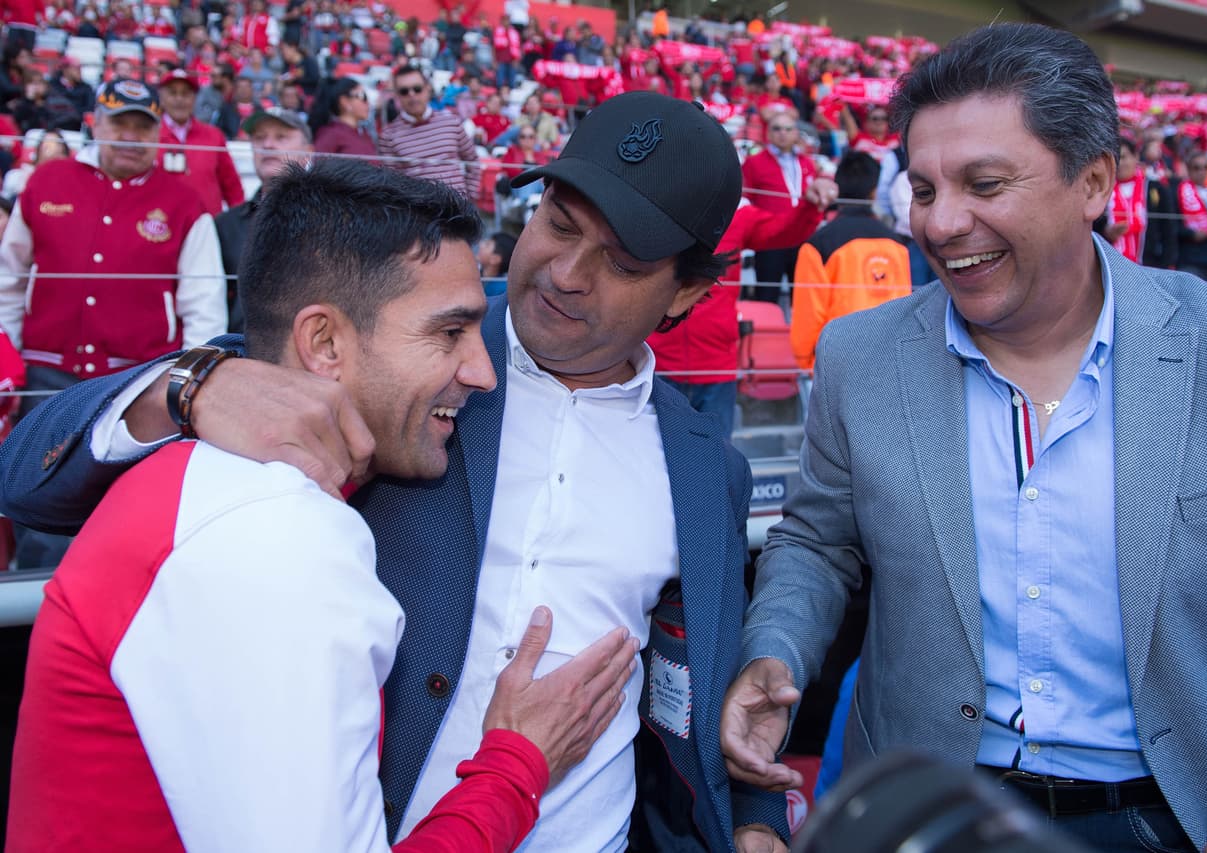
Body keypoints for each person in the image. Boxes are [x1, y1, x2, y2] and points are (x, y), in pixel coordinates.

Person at [0, 91, 788, 853]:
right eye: (557, 222)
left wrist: (754, 811)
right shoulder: (408, 338)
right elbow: (29, 477)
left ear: (688, 289)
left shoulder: (705, 466)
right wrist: (188, 386)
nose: (566, 272)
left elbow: (694, 680)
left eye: (621, 261)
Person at [721, 23, 1207, 853]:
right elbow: (817, 541)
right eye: (923, 189)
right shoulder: (860, 357)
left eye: (984, 183)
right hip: (931, 811)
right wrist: (774, 653)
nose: (943, 224)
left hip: (1190, 817)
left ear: (1094, 182)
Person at [0, 80, 226, 570]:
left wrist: (181, 390)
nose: (129, 135)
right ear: (94, 124)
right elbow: (9, 278)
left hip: (137, 383)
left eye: (141, 125)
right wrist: (11, 359)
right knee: (40, 508)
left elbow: (203, 306)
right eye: (118, 122)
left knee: (126, 515)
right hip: (46, 374)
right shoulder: (45, 182)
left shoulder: (185, 203)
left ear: (158, 133)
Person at [648, 177, 837, 435]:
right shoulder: (652, 212)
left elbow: (784, 231)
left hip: (716, 365)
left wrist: (810, 205)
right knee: (659, 462)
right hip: (659, 364)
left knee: (715, 460)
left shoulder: (736, 216)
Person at [789, 150, 910, 373]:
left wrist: (806, 361)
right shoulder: (898, 244)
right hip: (890, 361)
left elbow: (809, 313)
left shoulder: (819, 244)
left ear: (838, 188)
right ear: (874, 192)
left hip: (836, 363)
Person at [215, 107, 315, 333]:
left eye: (281, 137)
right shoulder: (225, 225)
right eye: (260, 138)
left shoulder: (336, 219)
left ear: (308, 151)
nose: (268, 145)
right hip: (241, 355)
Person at [740, 110, 816, 303]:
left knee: (802, 298)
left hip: (802, 238)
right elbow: (744, 199)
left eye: (788, 129)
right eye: (777, 129)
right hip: (770, 239)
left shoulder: (807, 162)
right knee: (766, 296)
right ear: (768, 133)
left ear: (796, 133)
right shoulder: (753, 162)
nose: (783, 133)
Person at [379, 63, 479, 199]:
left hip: (459, 212)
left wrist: (470, 199)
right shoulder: (388, 135)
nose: (412, 95)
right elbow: (391, 183)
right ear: (397, 96)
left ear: (428, 89)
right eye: (404, 91)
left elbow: (472, 160)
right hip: (418, 215)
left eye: (417, 89)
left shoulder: (451, 121)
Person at [156, 68, 245, 217]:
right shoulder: (150, 135)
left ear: (194, 99)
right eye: (173, 93)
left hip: (205, 226)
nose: (179, 99)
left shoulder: (214, 136)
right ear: (162, 98)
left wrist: (241, 223)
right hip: (159, 225)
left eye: (186, 94)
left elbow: (232, 186)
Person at [1174, 150, 1207, 282]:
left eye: (1205, 168)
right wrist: (1191, 234)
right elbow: (1172, 226)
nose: (1202, 172)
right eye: (1196, 168)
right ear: (1189, 170)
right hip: (1190, 258)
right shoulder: (1179, 192)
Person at [309, 76, 377, 161]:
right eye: (363, 96)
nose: (367, 102)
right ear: (345, 102)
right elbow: (317, 169)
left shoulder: (364, 133)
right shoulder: (330, 134)